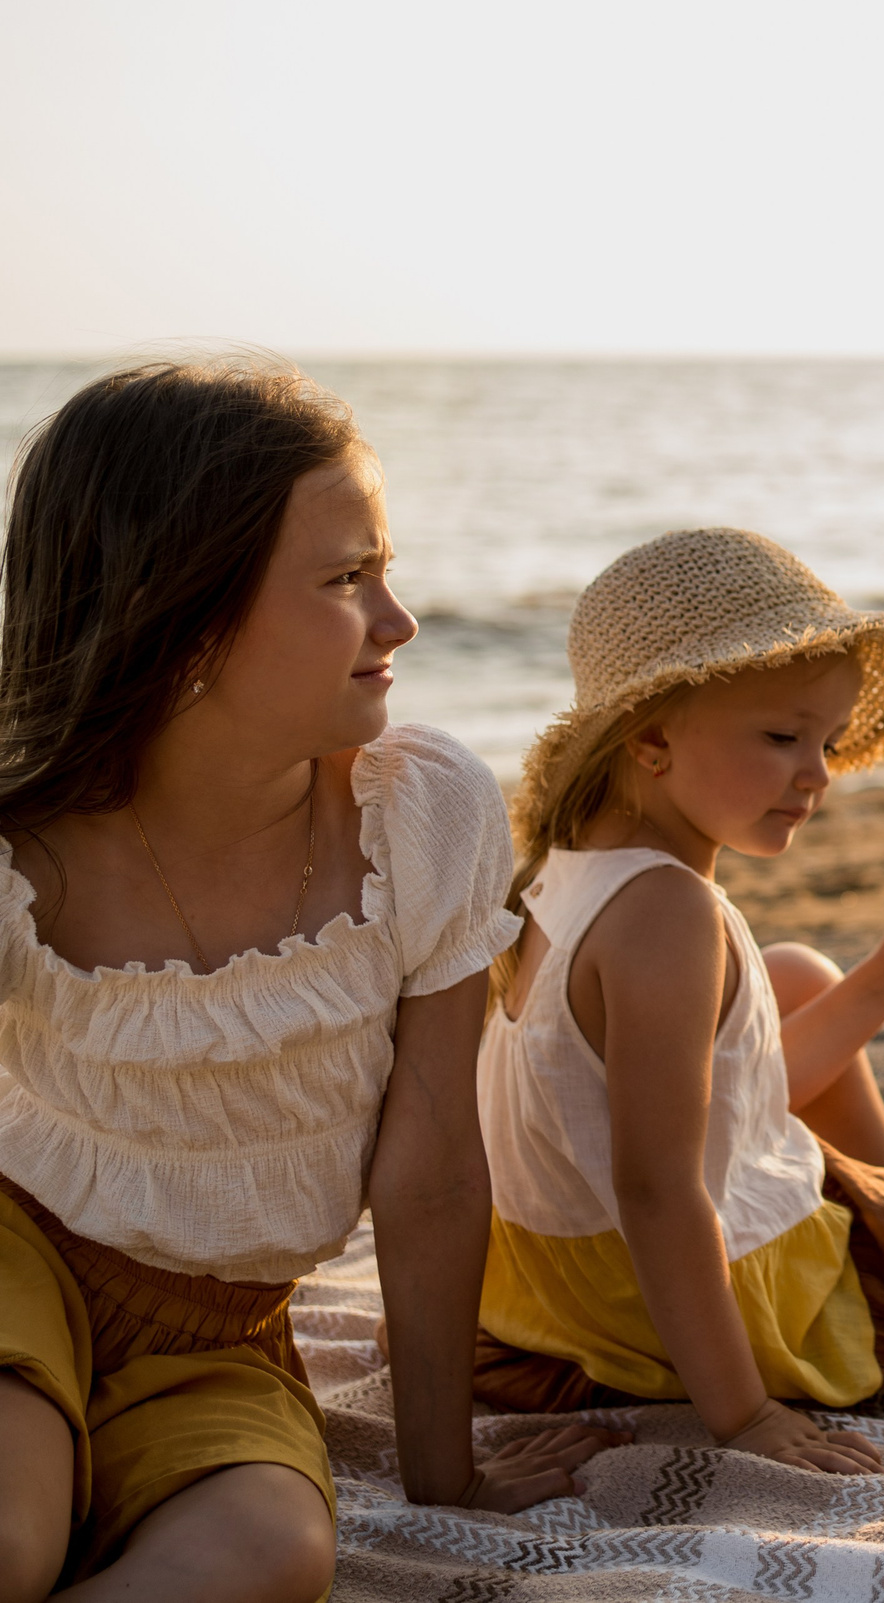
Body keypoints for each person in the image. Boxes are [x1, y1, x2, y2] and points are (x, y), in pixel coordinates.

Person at [0, 360, 618, 1602]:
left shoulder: (422, 817)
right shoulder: (25, 850)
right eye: (346, 579)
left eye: (382, 568)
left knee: (274, 1557)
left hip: (222, 1338)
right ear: (177, 612)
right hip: (16, 1260)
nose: (399, 621)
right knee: (10, 1540)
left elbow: (436, 1161)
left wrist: (446, 1477)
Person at [469, 527, 884, 1470]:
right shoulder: (669, 913)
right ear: (651, 735)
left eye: (829, 741)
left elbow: (694, 1101)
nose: (819, 773)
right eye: (781, 737)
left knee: (797, 969)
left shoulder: (555, 878)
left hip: (564, 1294)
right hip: (714, 1307)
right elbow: (658, 1191)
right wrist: (746, 1416)